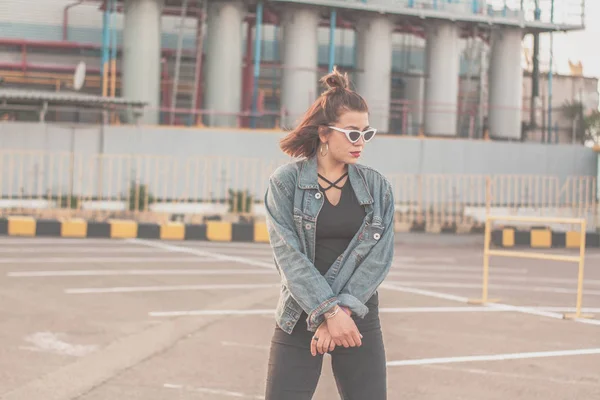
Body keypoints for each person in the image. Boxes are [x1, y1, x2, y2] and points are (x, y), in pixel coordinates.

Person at [263, 66, 395, 400]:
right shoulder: (286, 183)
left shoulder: (377, 187)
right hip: (299, 316)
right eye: (352, 133)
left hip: (357, 317)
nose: (360, 142)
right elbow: (289, 259)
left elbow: (379, 260)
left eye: (367, 133)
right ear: (324, 133)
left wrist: (342, 313)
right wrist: (328, 312)